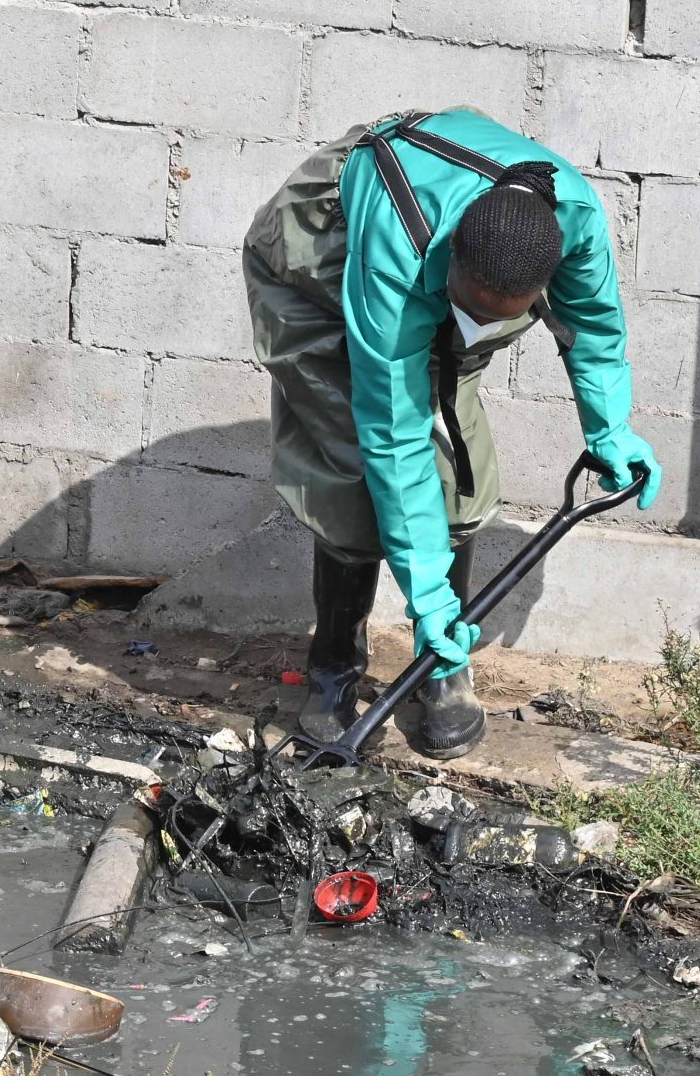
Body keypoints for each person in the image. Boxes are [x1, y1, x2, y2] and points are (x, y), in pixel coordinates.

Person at [243, 107, 656, 760]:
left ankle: (443, 665)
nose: (470, 330)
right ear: (450, 257)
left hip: (438, 269)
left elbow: (596, 327)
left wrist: (610, 426)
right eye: (464, 308)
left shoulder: (572, 222)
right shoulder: (401, 247)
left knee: (460, 461)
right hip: (318, 260)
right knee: (355, 464)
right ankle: (333, 671)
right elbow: (393, 430)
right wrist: (425, 593)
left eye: (497, 319)